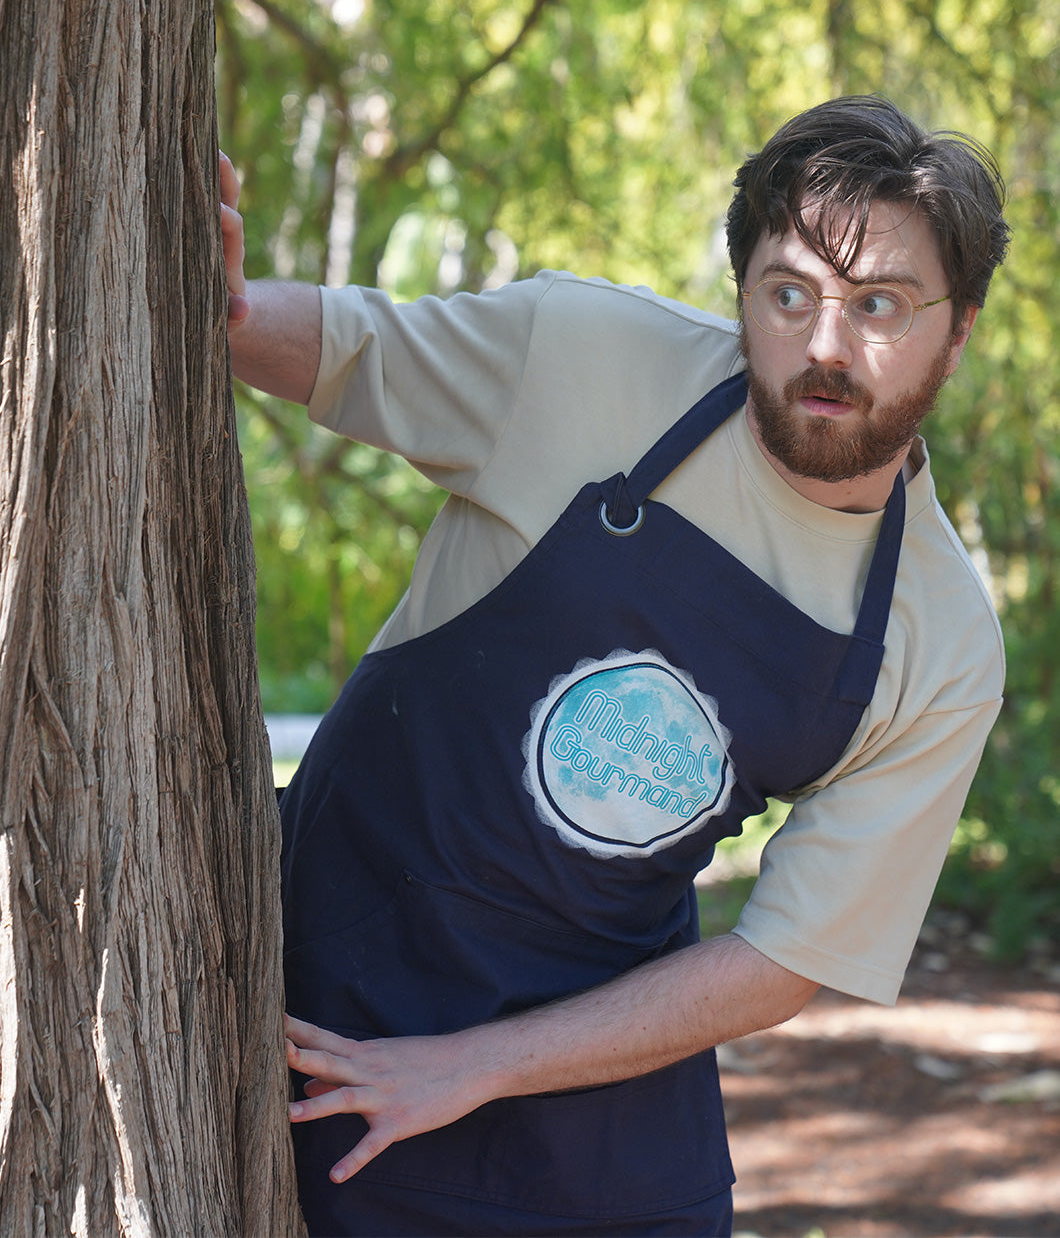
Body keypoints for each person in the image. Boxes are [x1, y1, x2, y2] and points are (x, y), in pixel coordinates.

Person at [221, 95, 1010, 1237]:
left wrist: (478, 1064)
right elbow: (351, 350)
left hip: (608, 1118)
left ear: (958, 328)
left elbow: (783, 957)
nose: (825, 348)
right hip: (345, 1042)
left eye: (880, 305)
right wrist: (230, 309)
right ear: (742, 292)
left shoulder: (939, 642)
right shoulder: (590, 358)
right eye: (788, 294)